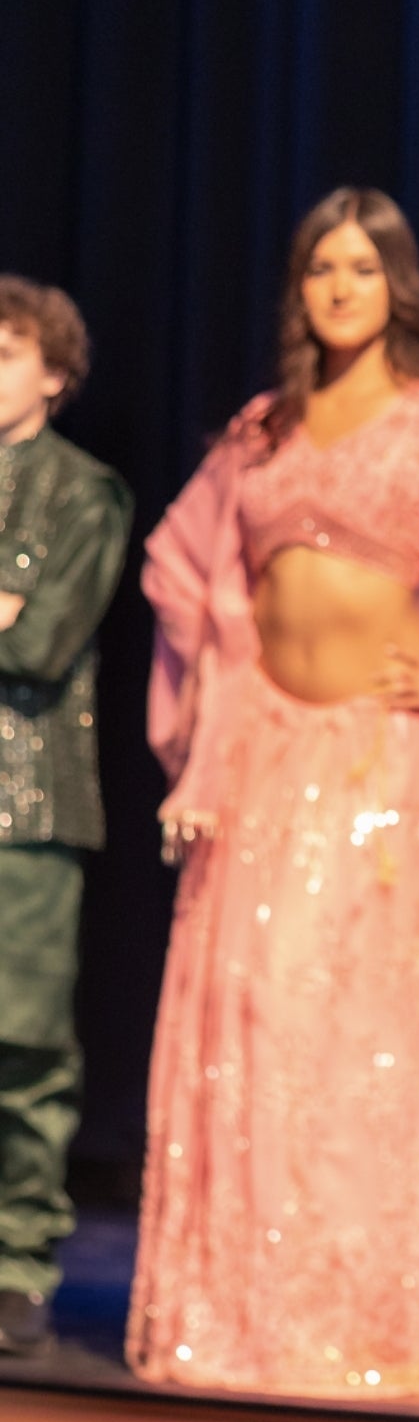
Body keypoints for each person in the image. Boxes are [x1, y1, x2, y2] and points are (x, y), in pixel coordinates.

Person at [127, 190, 419, 1398]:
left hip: (384, 769)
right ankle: (241, 1320)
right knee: (251, 1027)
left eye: (361, 267)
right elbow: (186, 568)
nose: (340, 288)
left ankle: (376, 1328)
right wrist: (212, 714)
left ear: (398, 285)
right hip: (265, 762)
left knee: (366, 1040)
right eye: (320, 269)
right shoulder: (262, 430)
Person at [0, 277, 131, 1357]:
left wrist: (14, 610)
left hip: (28, 808)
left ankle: (18, 1257)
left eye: (8, 351)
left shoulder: (85, 492)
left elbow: (39, 645)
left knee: (23, 1045)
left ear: (53, 373)